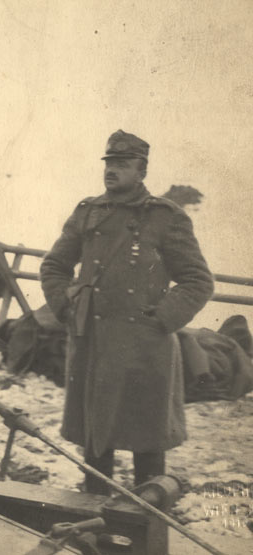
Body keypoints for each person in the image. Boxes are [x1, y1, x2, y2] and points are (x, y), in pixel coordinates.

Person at [40, 130, 213, 494]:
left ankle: (146, 526)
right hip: (94, 344)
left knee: (146, 443)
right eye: (109, 163)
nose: (112, 170)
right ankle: (94, 522)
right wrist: (65, 307)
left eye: (122, 164)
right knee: (95, 438)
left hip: (144, 349)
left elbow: (197, 280)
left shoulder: (166, 218)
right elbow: (54, 265)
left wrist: (162, 319)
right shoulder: (88, 212)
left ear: (142, 170)